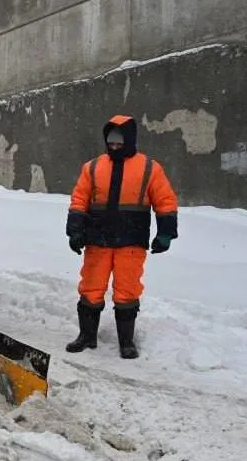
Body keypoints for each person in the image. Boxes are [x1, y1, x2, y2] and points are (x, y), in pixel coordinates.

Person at [65, 114, 178, 358]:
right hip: (98, 240)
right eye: (111, 142)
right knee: (90, 287)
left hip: (131, 241)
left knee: (127, 290)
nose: (114, 146)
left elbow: (165, 201)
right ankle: (87, 336)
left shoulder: (149, 168)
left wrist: (166, 233)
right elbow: (79, 200)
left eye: (119, 142)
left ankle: (126, 342)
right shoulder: (92, 167)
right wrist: (75, 230)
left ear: (129, 140)